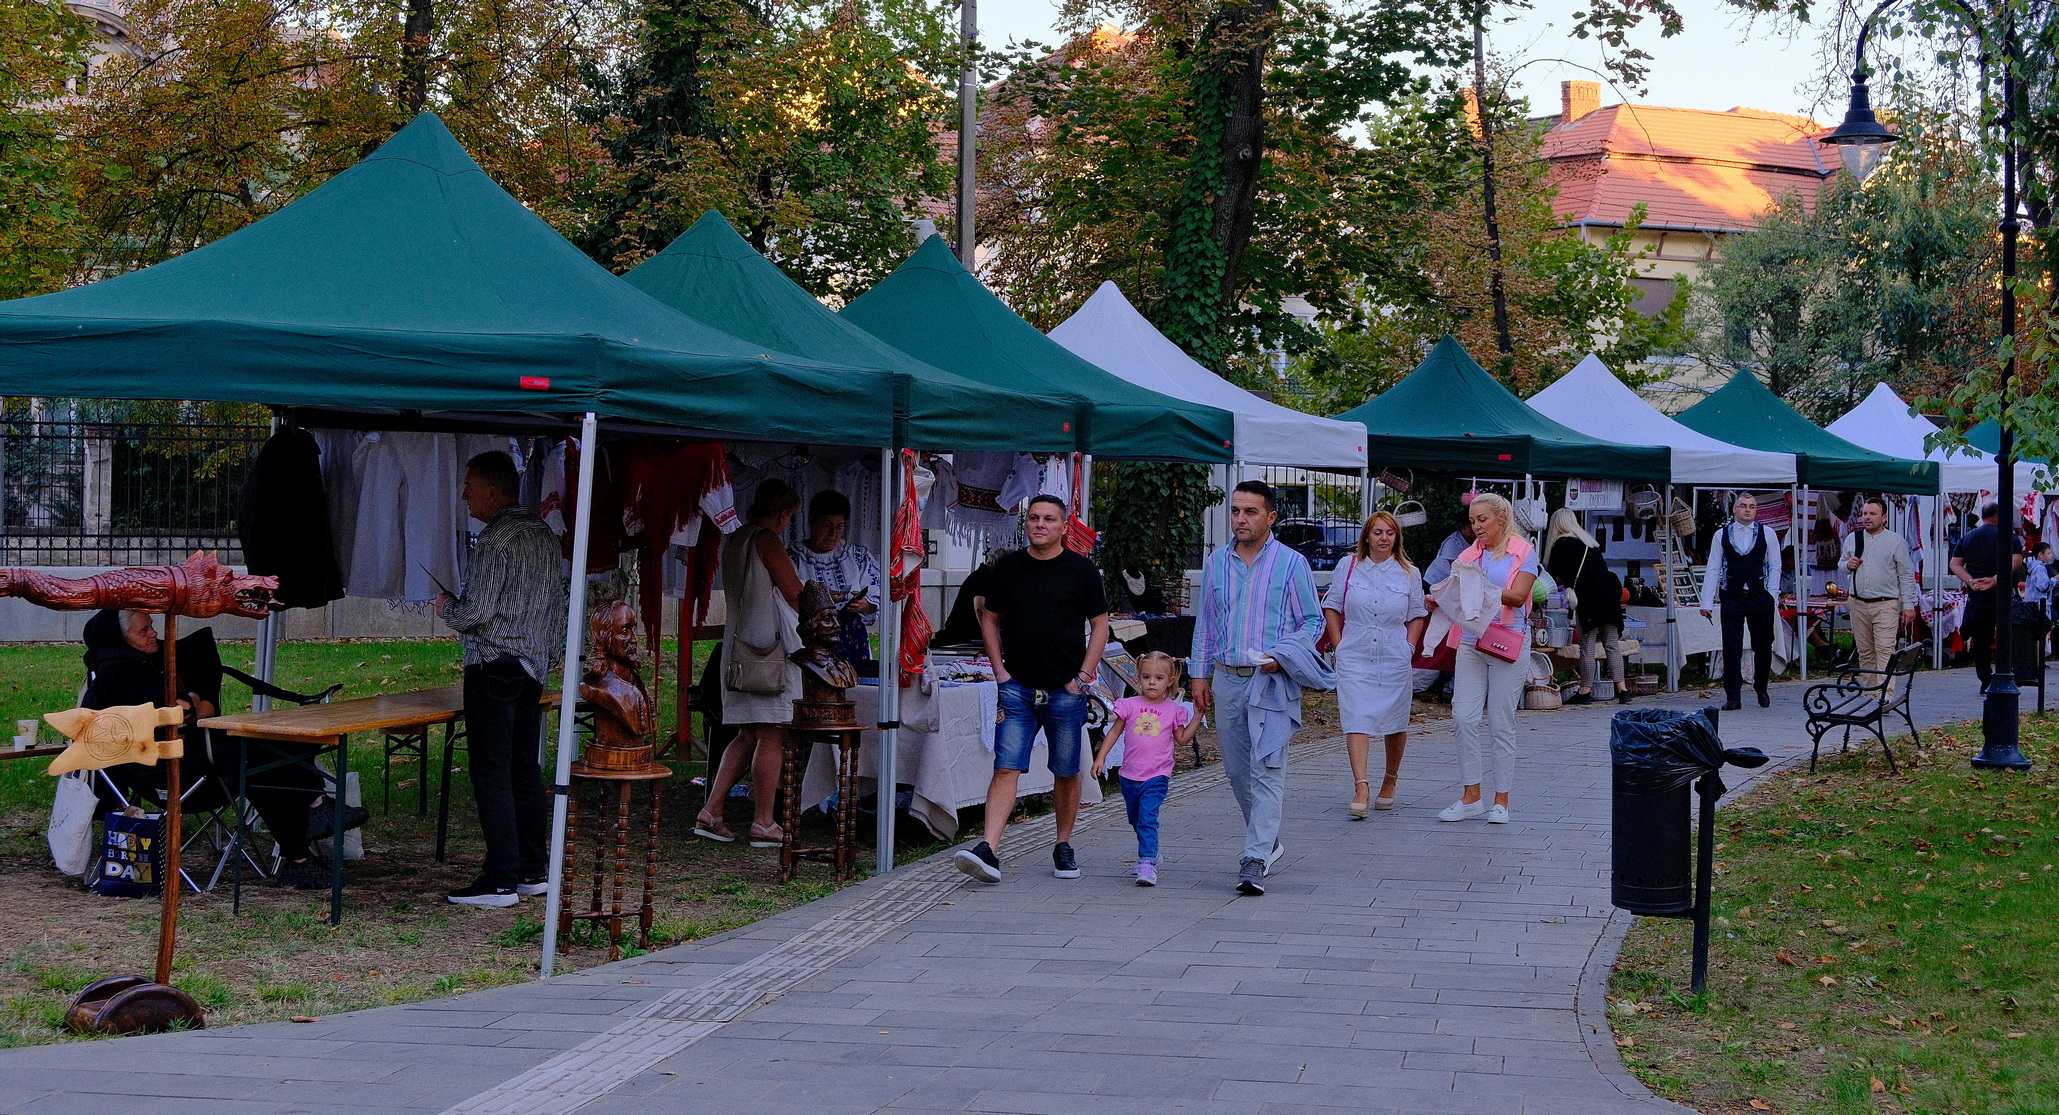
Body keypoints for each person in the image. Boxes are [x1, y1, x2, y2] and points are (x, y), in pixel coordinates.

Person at [82, 609, 344, 891]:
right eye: (143, 630)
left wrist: (190, 705)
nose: (153, 633)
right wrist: (193, 703)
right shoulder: (120, 672)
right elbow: (176, 715)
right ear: (121, 638)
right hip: (165, 772)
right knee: (259, 759)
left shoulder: (139, 661)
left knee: (264, 754)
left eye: (151, 625)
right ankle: (307, 833)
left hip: (185, 755)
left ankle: (304, 842)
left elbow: (185, 710)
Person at [954, 495, 1110, 883]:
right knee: (1006, 766)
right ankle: (989, 848)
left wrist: (1085, 676)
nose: (1039, 524)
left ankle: (1063, 845)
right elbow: (988, 618)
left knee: (1066, 770)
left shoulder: (1082, 571)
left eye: (1049, 519)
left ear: (1063, 526)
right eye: (1034, 518)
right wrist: (999, 670)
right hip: (1017, 689)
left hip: (1065, 690)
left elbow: (1101, 624)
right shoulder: (1007, 568)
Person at [438, 450, 566, 907]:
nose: (464, 495)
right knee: (523, 770)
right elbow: (559, 602)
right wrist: (549, 654)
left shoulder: (495, 540)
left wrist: (447, 607)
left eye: (469, 486)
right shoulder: (543, 534)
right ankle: (532, 869)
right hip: (531, 665)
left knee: (491, 771)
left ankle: (500, 879)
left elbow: (477, 611)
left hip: (493, 664)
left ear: (492, 492)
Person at [1191, 480, 1323, 896]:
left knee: (1267, 769)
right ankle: (1269, 842)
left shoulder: (1291, 563)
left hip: (1271, 681)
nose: (1240, 519)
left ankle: (1254, 858)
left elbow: (1313, 622)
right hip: (1227, 678)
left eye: (1250, 512)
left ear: (1271, 517)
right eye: (1235, 511)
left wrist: (1283, 653)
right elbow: (1207, 622)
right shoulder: (1216, 562)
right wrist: (1198, 674)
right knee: (1235, 771)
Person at [699, 478, 805, 848]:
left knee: (746, 735)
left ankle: (711, 809)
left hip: (738, 648)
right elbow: (796, 594)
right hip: (767, 653)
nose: (788, 523)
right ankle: (763, 821)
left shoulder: (736, 538)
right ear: (780, 513)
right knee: (771, 734)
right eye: (789, 516)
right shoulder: (766, 539)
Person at [1428, 492, 1537, 825]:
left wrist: (1477, 588)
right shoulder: (1468, 555)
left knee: (1501, 722)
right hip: (1471, 641)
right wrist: (1440, 599)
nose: (1475, 526)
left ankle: (1501, 800)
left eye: (1482, 520)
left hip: (1508, 641)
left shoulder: (1524, 551)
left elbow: (1518, 597)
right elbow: (1455, 593)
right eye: (1473, 521)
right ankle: (1471, 796)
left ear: (1501, 519)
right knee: (1463, 718)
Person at [1321, 510, 1428, 818]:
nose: (1384, 538)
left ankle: (1390, 780)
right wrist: (1339, 643)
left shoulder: (1409, 572)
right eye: (1378, 532)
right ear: (1366, 536)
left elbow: (1417, 614)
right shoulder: (1349, 566)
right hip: (1355, 651)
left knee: (1396, 719)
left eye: (1390, 533)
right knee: (1356, 716)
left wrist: (1409, 646)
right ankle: (1361, 786)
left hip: (1393, 652)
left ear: (1397, 538)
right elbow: (1331, 606)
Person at [1090, 652, 1197, 887]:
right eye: (1147, 677)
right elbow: (1115, 732)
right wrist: (1100, 757)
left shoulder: (1173, 710)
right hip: (1129, 776)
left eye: (1158, 678)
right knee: (1136, 819)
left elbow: (1182, 739)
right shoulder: (1129, 705)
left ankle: (1147, 862)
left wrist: (1197, 716)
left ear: (1169, 681)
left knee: (1148, 818)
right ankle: (1152, 850)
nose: (1151, 682)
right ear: (1138, 678)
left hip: (1157, 775)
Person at [786, 490, 882, 672]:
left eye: (839, 527)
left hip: (852, 639)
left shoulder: (857, 556)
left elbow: (880, 595)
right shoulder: (793, 558)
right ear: (812, 522)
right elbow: (786, 599)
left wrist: (864, 605)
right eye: (827, 525)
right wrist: (819, 600)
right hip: (810, 641)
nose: (833, 533)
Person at [1700, 492, 1780, 711]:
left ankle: (1761, 685)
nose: (1748, 510)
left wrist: (1772, 594)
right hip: (1732, 595)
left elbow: (1775, 565)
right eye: (1743, 506)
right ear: (1734, 509)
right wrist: (1706, 602)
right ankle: (1733, 695)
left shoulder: (1768, 533)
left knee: (1763, 645)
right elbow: (1713, 568)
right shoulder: (1721, 535)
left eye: (1752, 506)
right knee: (1731, 647)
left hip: (1759, 595)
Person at [1544, 507, 1627, 706]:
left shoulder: (1561, 544)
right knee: (1612, 646)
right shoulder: (1590, 542)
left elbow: (1552, 577)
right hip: (1608, 597)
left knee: (1587, 647)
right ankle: (1622, 690)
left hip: (1588, 600)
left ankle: (1585, 690)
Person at [1840, 496, 1918, 675]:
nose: (1867, 517)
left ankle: (1885, 697)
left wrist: (1908, 605)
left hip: (1885, 604)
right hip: (1858, 603)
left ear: (1884, 518)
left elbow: (1906, 575)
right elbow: (1842, 564)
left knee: (1885, 651)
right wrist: (1847, 565)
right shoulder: (1853, 538)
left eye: (1873, 514)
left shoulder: (1896, 542)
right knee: (1865, 653)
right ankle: (1870, 696)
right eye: (1865, 513)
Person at [1950, 502, 2023, 686]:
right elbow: (2016, 562)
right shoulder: (2008, 537)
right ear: (1998, 516)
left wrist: (1971, 581)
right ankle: (2006, 676)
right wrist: (1995, 579)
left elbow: (1954, 564)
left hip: (1978, 596)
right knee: (2007, 635)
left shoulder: (1968, 537)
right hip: (2003, 594)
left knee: (1981, 640)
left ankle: (1985, 680)